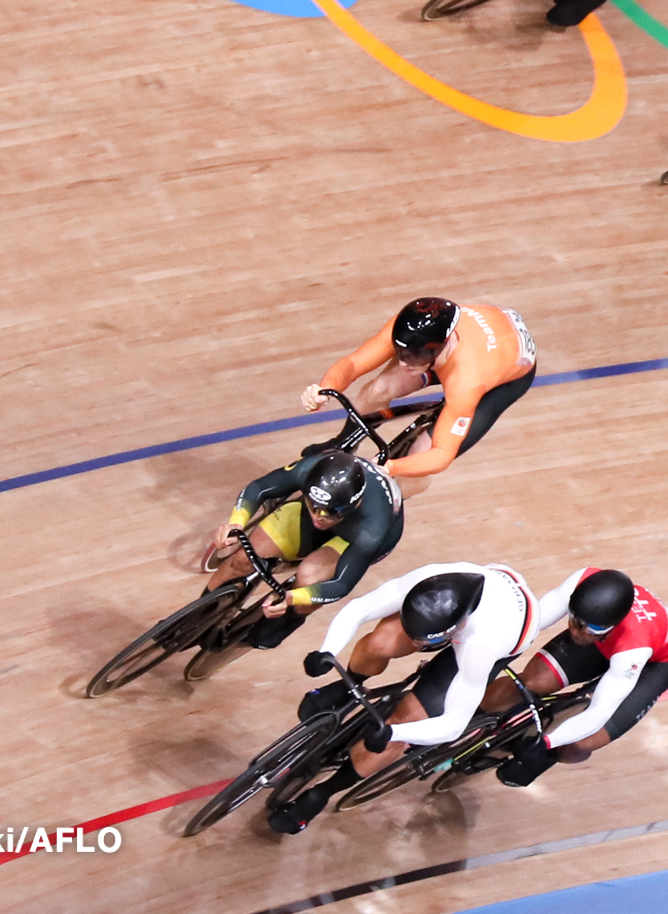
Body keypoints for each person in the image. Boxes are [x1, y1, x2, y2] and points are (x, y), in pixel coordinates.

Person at [267, 561, 538, 833]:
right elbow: (360, 608)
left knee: (408, 719)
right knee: (380, 642)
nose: (416, 645)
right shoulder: (430, 580)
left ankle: (323, 792)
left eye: (423, 643)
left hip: (501, 633)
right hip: (472, 603)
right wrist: (327, 651)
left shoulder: (480, 649)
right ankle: (350, 687)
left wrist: (393, 733)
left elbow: (453, 725)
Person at [300, 298, 536, 497]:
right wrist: (325, 389)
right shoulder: (411, 331)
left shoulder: (468, 380)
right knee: (380, 389)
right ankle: (344, 444)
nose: (403, 362)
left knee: (422, 453)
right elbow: (352, 364)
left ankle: (386, 501)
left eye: (413, 356)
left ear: (439, 347)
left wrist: (389, 467)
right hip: (469, 346)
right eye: (400, 351)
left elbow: (441, 455)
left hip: (503, 376)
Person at [481, 568, 668, 787]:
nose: (578, 632)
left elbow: (600, 711)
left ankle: (543, 759)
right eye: (575, 620)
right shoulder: (582, 584)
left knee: (580, 743)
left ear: (612, 625)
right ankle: (473, 719)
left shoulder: (634, 649)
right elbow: (529, 624)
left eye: (591, 628)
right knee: (531, 682)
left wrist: (546, 744)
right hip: (604, 641)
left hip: (656, 664)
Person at [202, 450, 404, 650]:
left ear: (356, 504)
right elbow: (259, 487)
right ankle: (200, 615)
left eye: (329, 513)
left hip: (355, 536)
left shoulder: (373, 526)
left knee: (308, 579)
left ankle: (279, 627)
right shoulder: (310, 467)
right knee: (245, 557)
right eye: (313, 506)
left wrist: (292, 598)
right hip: (338, 516)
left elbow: (341, 584)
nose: (319, 517)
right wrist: (236, 523)